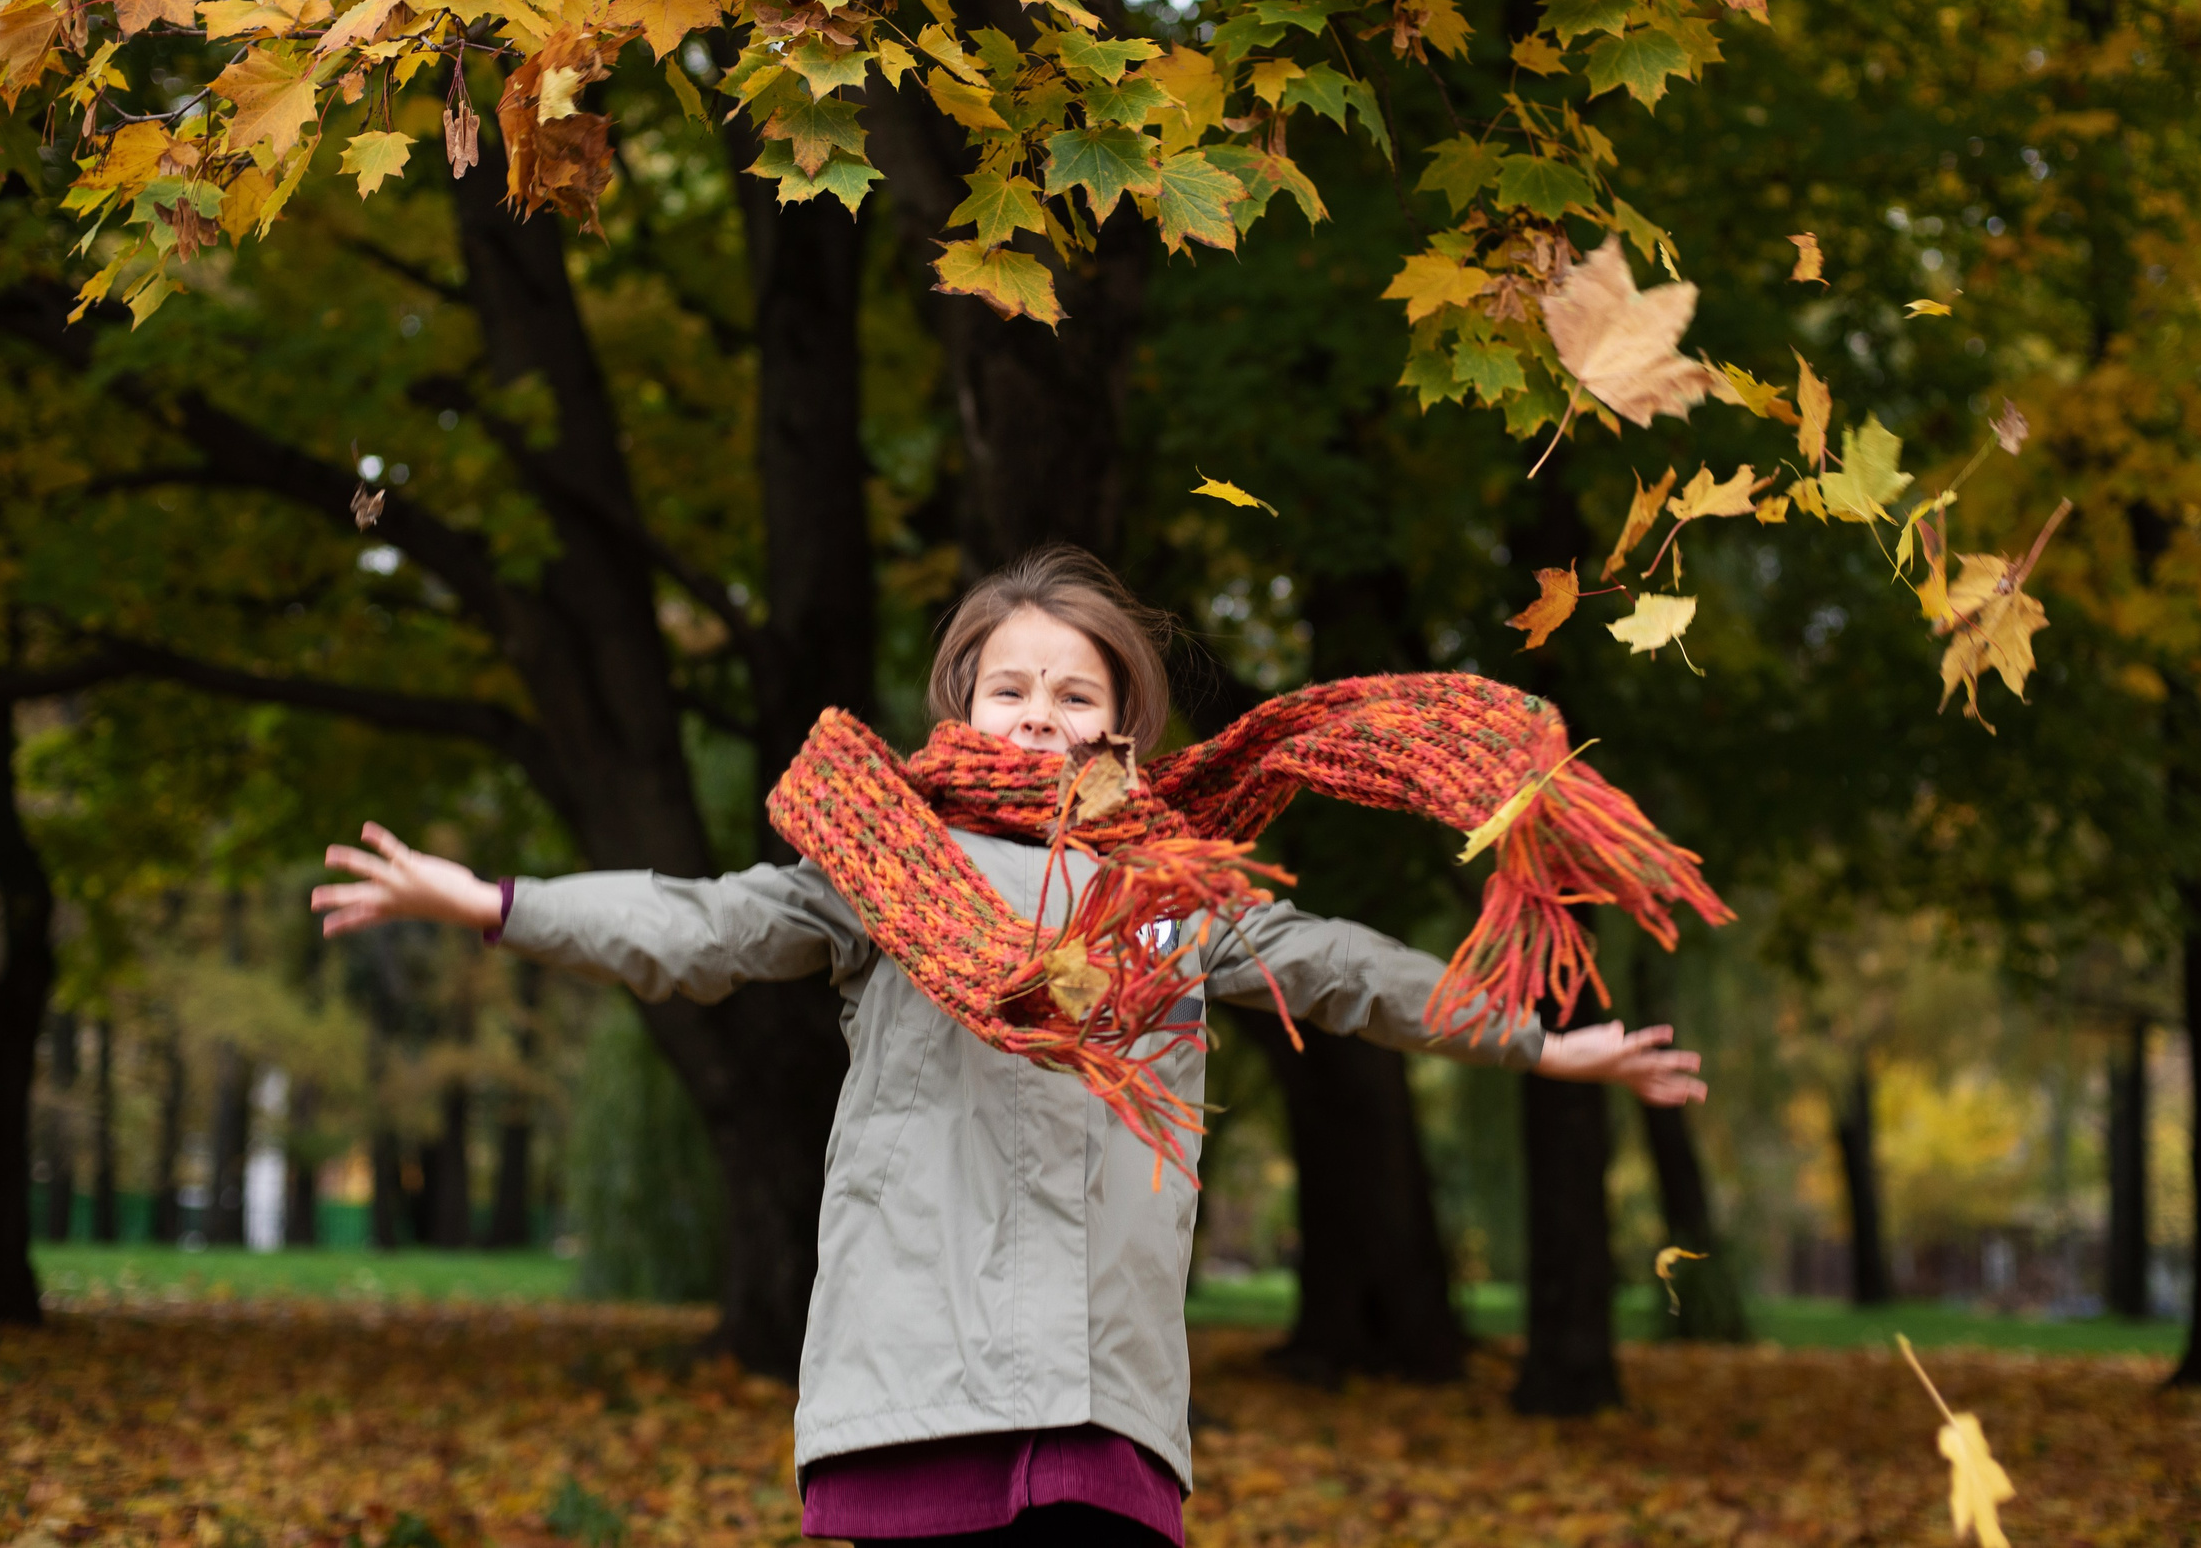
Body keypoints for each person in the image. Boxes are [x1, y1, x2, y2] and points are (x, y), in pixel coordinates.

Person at [311, 546, 1718, 1548]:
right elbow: (697, 930)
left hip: (1108, 1384)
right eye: (1010, 688)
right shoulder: (883, 869)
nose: (1040, 714)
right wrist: (495, 900)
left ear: (1124, 726)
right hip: (918, 1370)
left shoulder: (1175, 900)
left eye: (1076, 693)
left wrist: (1544, 1047)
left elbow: (1351, 973)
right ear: (960, 705)